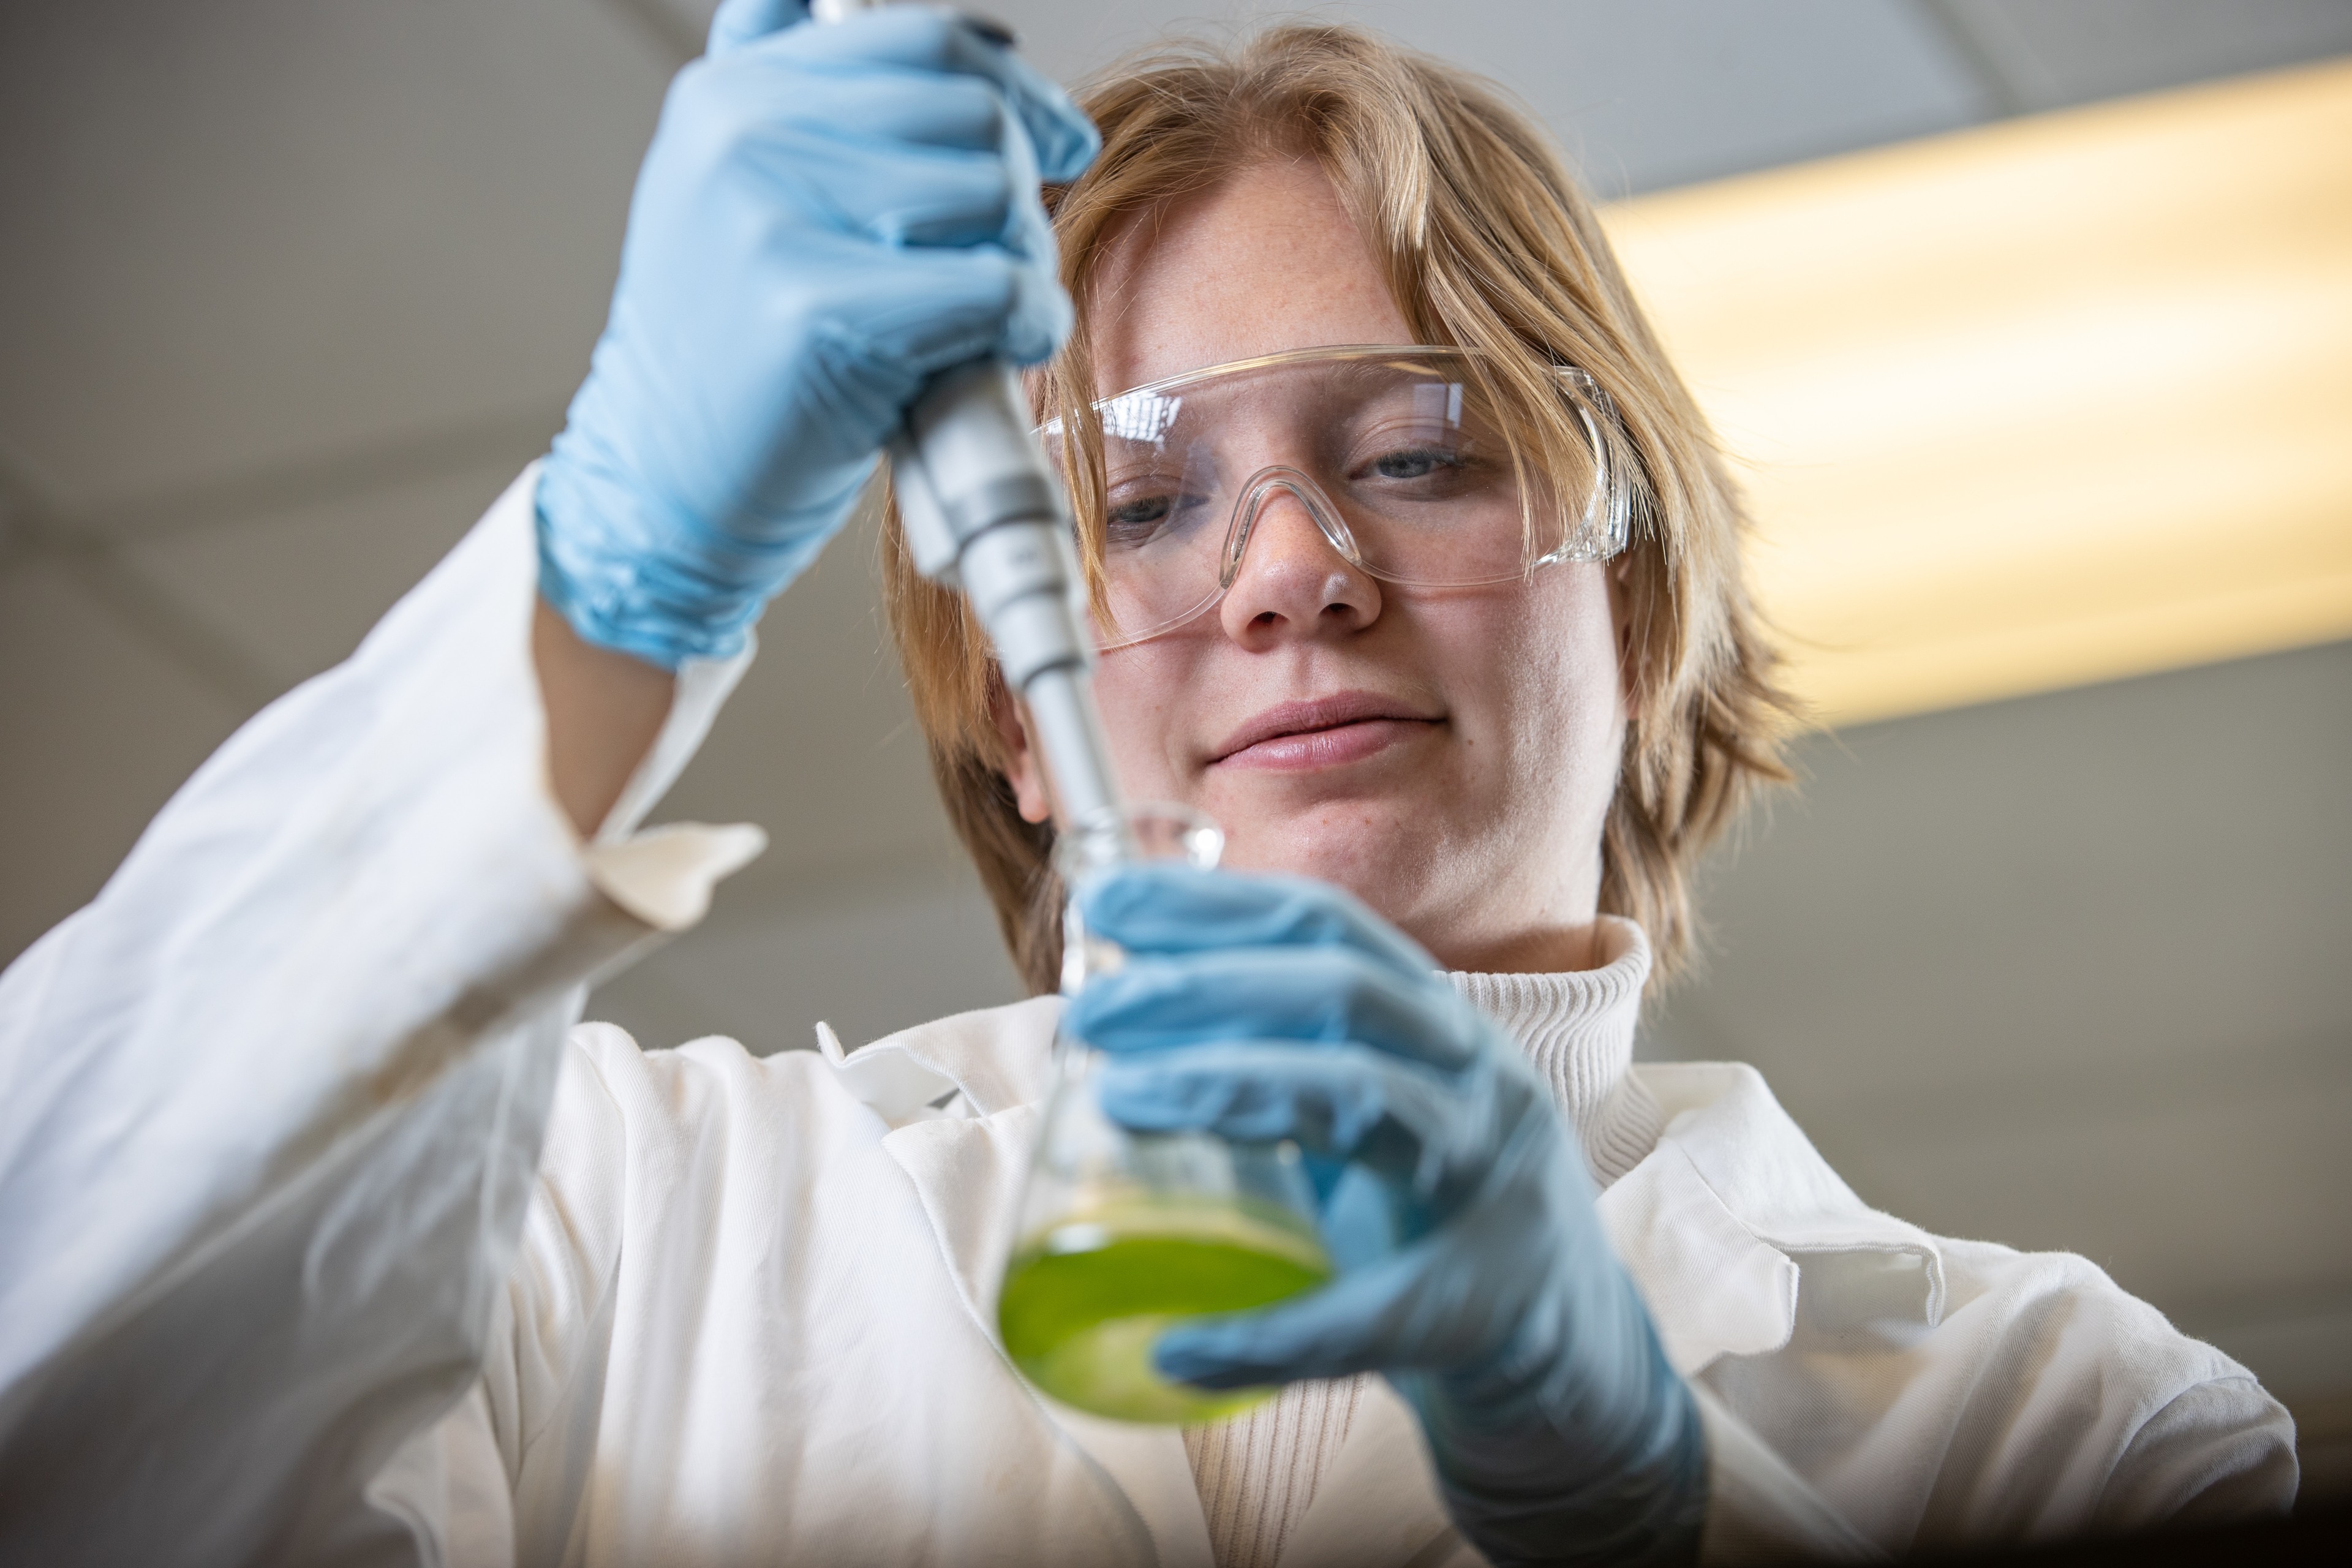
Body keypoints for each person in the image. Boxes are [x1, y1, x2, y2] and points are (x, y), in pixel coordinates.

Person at [0, 4, 2298, 1564]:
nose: (1292, 569)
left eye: (1422, 453)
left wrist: (1636, 1505)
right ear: (1018, 718)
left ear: (1639, 599)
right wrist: (614, 583)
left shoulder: (2061, 1419)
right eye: (1145, 505)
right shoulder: (619, 1223)